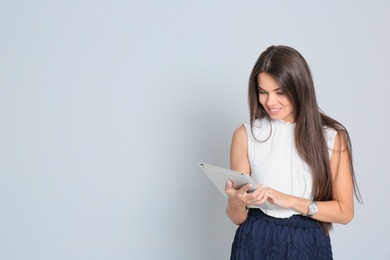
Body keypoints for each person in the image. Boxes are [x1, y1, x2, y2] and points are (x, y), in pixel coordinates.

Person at [225, 45, 361, 259]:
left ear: (299, 88)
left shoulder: (332, 137)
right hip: (254, 239)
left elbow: (345, 213)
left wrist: (291, 201)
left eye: (280, 92)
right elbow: (238, 217)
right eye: (263, 92)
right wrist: (236, 202)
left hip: (307, 242)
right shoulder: (245, 135)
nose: (270, 102)